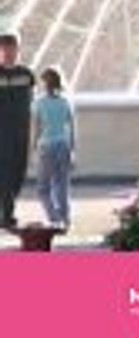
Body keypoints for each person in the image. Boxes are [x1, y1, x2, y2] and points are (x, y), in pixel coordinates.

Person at [30, 67, 74, 230]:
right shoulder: (66, 102)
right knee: (62, 185)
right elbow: (71, 128)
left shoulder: (39, 103)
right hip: (63, 145)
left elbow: (37, 129)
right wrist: (72, 150)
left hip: (46, 147)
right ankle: (66, 219)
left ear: (44, 83)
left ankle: (55, 218)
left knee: (43, 188)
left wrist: (33, 150)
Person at [0, 33, 35, 229]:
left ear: (18, 50)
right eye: (5, 49)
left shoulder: (27, 75)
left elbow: (33, 104)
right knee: (4, 173)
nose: (9, 53)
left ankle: (6, 209)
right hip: (1, 133)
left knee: (18, 173)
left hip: (21, 132)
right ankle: (7, 215)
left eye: (12, 49)